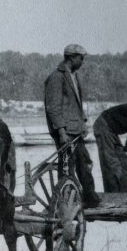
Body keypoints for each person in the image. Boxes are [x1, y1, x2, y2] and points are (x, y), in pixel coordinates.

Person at [44, 44, 100, 208]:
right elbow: (53, 107)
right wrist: (61, 132)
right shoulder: (57, 77)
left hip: (75, 130)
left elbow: (76, 105)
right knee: (67, 168)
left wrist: (83, 124)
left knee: (84, 164)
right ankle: (65, 201)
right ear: (72, 58)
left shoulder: (73, 76)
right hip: (66, 132)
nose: (82, 62)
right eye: (81, 58)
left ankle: (89, 198)